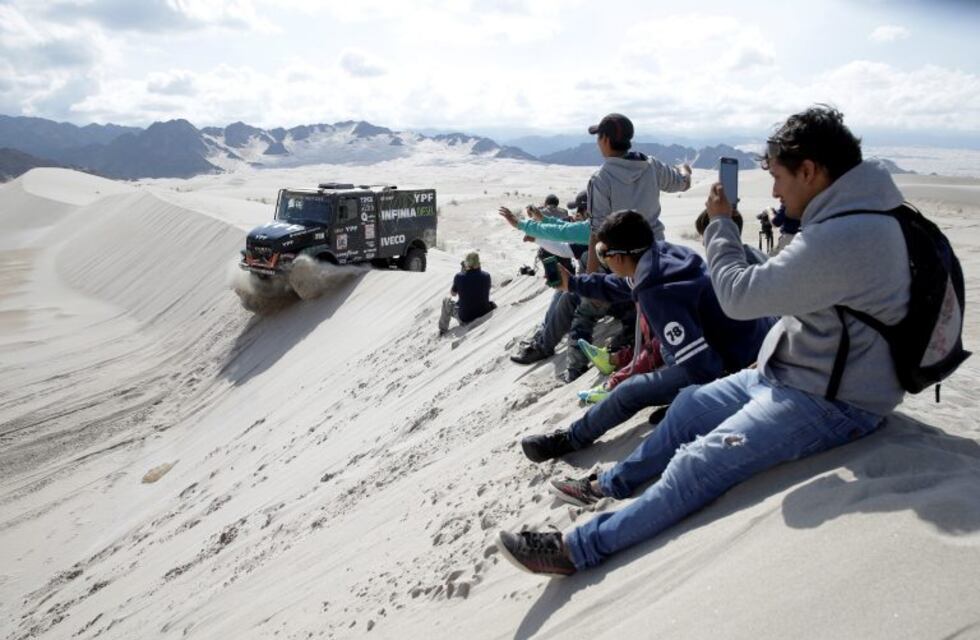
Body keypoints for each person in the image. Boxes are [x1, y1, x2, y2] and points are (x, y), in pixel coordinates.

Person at [498, 105, 912, 578]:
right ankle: (607, 482)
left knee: (698, 462)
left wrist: (719, 224)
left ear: (810, 171)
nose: (774, 190)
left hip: (832, 398)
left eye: (778, 177)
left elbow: (739, 296)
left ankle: (578, 548)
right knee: (689, 408)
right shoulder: (850, 216)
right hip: (788, 369)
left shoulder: (847, 234)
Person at [520, 210, 774, 463]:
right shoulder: (660, 254)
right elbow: (621, 285)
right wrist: (574, 284)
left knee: (630, 391)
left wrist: (686, 404)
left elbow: (703, 367)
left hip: (735, 359)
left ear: (619, 257)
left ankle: (570, 438)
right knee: (664, 350)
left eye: (603, 253)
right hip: (747, 333)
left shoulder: (657, 292)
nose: (603, 260)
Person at [499, 204, 635, 381]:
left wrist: (521, 225)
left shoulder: (599, 227)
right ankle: (544, 341)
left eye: (585, 213)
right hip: (609, 287)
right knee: (566, 294)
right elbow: (565, 231)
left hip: (619, 293)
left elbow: (564, 233)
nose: (582, 216)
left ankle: (573, 368)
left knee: (581, 307)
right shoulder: (602, 225)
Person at [584, 113, 692, 274]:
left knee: (585, 260)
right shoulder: (652, 166)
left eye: (598, 137)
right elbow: (684, 183)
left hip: (622, 263)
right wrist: (684, 169)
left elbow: (597, 234)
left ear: (605, 139)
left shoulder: (600, 179)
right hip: (657, 254)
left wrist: (588, 280)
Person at [438, 251, 495, 336]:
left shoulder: (459, 277)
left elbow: (453, 294)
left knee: (446, 301)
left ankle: (442, 330)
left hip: (466, 317)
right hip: (483, 313)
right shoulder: (487, 276)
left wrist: (462, 274)